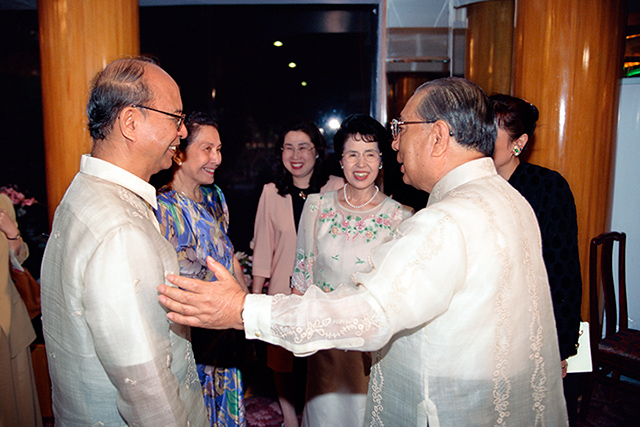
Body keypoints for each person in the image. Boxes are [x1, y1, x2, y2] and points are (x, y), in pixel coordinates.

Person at [158, 77, 569, 426]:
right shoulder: (508, 199)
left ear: (439, 136)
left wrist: (243, 309)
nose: (394, 145)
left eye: (401, 128)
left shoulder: (445, 220)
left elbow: (369, 313)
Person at [40, 58, 208, 426]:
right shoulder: (119, 231)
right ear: (131, 122)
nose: (182, 133)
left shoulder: (86, 191)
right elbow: (147, 390)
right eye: (175, 118)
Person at [292, 114, 413, 427]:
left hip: (372, 353)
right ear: (341, 160)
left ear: (382, 160)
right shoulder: (316, 207)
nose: (362, 163)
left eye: (371, 153)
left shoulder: (401, 216)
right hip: (324, 349)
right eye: (353, 154)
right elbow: (301, 279)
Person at [490, 93, 582, 426]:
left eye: (494, 131)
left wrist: (558, 346)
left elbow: (563, 272)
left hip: (529, 327)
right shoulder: (470, 188)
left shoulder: (548, 187)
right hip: (483, 329)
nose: (482, 139)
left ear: (520, 141)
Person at [155, 111, 249, 427]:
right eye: (207, 148)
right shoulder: (161, 207)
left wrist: (246, 306)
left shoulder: (215, 196)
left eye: (219, 149)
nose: (217, 158)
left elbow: (227, 251)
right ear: (180, 153)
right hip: (189, 336)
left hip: (225, 329)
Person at [251, 119, 343, 427]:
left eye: (304, 147)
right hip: (281, 288)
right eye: (288, 147)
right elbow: (263, 247)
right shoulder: (271, 193)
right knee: (281, 358)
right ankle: (289, 416)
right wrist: (254, 295)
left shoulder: (335, 189)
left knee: (321, 357)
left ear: (317, 152)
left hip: (323, 291)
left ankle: (316, 415)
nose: (296, 154)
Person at [0, 193, 42, 427]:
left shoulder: (2, 204)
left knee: (12, 404)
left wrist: (11, 233)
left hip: (5, 321)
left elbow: (19, 258)